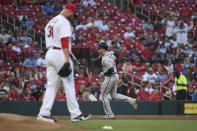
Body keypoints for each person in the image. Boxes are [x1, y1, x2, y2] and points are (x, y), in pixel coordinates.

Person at [37, 4, 91, 123]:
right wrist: (67, 60)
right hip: (60, 54)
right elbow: (64, 41)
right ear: (69, 11)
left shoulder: (51, 21)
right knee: (69, 85)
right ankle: (76, 115)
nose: (73, 16)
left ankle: (44, 113)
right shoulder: (64, 22)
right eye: (72, 14)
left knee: (51, 86)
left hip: (50, 53)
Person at [98, 42, 138, 119]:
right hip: (115, 76)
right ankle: (132, 100)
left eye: (99, 48)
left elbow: (111, 70)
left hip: (110, 76)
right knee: (114, 95)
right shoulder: (111, 54)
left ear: (103, 49)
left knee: (103, 95)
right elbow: (115, 61)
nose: (98, 50)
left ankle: (110, 114)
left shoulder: (105, 57)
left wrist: (103, 73)